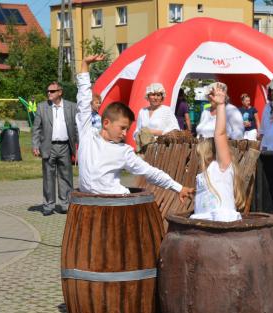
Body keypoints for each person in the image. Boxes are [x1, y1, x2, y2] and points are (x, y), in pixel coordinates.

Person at [76, 54, 194, 199]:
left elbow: (150, 172)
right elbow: (83, 100)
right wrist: (84, 66)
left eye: (127, 129)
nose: (125, 133)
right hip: (86, 203)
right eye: (122, 128)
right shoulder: (87, 134)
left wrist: (178, 188)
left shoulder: (123, 151)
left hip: (116, 203)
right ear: (106, 123)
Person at [191, 83, 244, 222]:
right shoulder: (204, 173)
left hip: (223, 225)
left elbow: (220, 134)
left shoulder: (221, 168)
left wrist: (220, 105)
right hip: (203, 226)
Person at [32, 81, 78, 216]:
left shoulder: (71, 107)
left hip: (65, 146)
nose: (49, 93)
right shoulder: (42, 107)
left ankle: (65, 204)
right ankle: (48, 205)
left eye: (52, 91)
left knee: (66, 177)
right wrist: (35, 145)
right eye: (48, 91)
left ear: (60, 92)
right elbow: (36, 128)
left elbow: (76, 128)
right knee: (48, 177)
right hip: (48, 146)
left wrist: (79, 145)